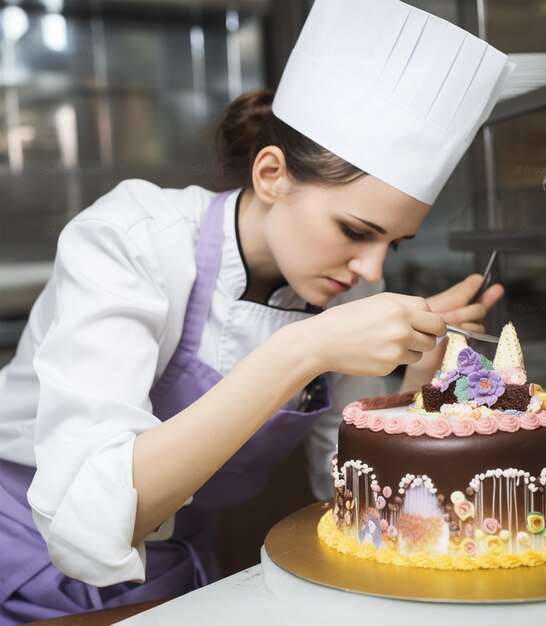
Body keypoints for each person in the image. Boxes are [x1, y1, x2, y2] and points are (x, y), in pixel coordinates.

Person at [0, 0, 513, 623]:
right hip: (25, 558)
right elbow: (90, 515)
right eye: (355, 230)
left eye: (393, 244)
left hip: (171, 574)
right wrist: (307, 348)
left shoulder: (337, 293)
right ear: (270, 174)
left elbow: (345, 490)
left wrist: (410, 383)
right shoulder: (134, 238)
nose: (373, 271)